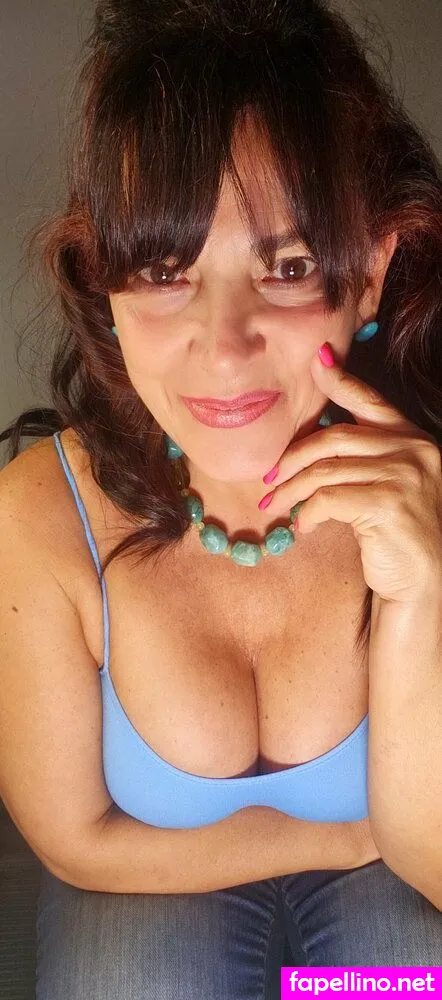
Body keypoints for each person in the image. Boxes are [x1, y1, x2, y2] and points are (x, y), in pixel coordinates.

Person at [0, 0, 441, 994]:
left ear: (371, 275)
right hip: (146, 871)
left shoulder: (429, 493)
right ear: (106, 287)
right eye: (165, 269)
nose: (225, 347)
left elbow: (435, 865)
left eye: (288, 267)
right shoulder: (37, 516)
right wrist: (337, 838)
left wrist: (423, 590)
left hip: (398, 868)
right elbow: (77, 840)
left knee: (412, 979)